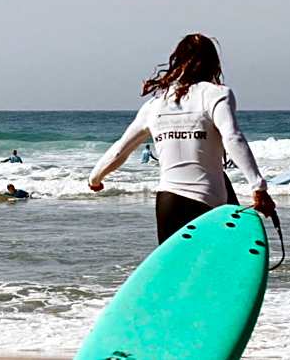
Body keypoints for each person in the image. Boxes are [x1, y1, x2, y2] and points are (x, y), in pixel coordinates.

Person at [88, 33, 276, 244]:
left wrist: (95, 178)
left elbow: (120, 149)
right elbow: (232, 138)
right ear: (213, 63)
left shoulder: (155, 105)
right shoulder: (216, 94)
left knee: (178, 271)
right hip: (208, 203)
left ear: (177, 61)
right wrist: (258, 187)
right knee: (214, 267)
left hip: (168, 203)